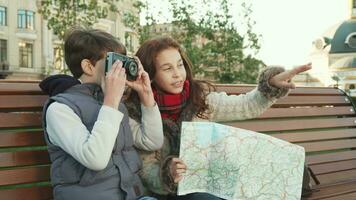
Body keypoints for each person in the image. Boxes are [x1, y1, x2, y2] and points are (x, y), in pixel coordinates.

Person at [124, 36, 312, 200]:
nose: (177, 74)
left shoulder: (200, 99)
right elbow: (146, 171)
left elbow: (246, 106)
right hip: (170, 195)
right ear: (150, 75)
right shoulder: (138, 114)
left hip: (213, 184)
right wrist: (168, 173)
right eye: (167, 68)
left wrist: (271, 84)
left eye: (180, 64)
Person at [40, 27, 163, 200]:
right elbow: (96, 159)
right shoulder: (60, 109)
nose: (121, 69)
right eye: (114, 61)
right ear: (88, 66)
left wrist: (146, 95)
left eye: (123, 62)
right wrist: (111, 102)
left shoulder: (111, 103)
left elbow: (152, 141)